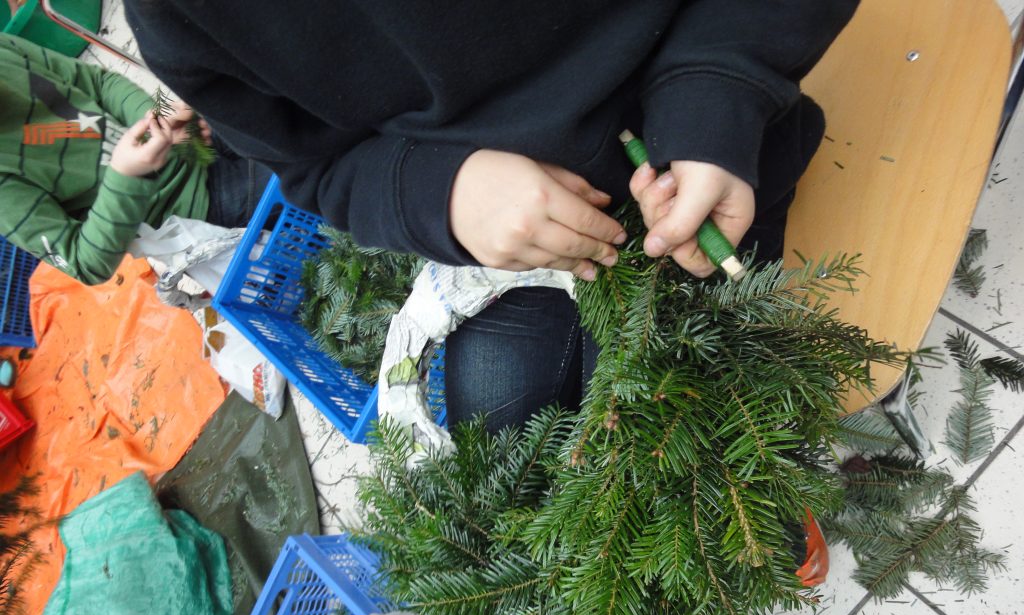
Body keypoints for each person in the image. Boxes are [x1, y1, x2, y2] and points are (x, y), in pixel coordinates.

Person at [123, 1, 858, 428]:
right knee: (496, 411)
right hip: (533, 243)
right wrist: (439, 191)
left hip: (708, 151)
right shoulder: (179, 19)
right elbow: (317, 168)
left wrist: (716, 97)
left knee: (707, 391)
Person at [0, 32, 271, 286]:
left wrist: (154, 121)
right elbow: (86, 264)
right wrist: (126, 175)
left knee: (275, 103)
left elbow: (97, 82)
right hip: (190, 209)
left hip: (189, 143)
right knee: (290, 167)